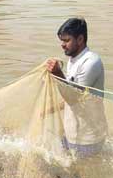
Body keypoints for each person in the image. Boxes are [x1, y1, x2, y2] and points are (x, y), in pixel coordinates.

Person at [45, 17, 108, 157]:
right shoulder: (73, 59)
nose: (62, 45)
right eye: (61, 41)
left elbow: (74, 98)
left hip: (88, 138)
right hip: (72, 132)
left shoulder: (91, 62)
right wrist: (50, 110)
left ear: (80, 39)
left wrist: (57, 73)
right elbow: (73, 92)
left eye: (66, 40)